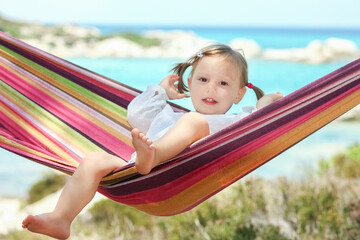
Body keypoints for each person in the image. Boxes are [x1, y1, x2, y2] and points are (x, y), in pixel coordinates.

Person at [22, 44, 283, 239]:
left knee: (192, 122)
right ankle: (61, 218)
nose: (211, 88)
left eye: (223, 83)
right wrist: (160, 91)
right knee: (93, 160)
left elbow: (255, 124)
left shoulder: (231, 123)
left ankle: (154, 154)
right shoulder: (167, 114)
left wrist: (263, 105)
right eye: (203, 80)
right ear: (189, 84)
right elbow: (136, 115)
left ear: (238, 95)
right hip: (138, 172)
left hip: (174, 175)